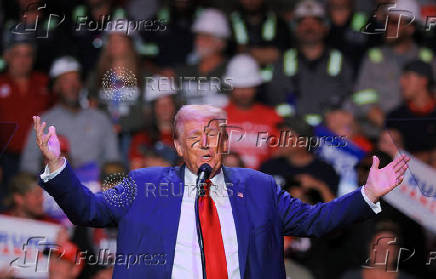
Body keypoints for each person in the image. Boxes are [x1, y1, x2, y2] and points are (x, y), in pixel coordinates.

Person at [31, 103, 410, 278]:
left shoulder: (259, 187)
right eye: (195, 138)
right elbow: (88, 212)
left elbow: (315, 221)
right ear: (178, 147)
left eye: (215, 135)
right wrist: (56, 167)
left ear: (226, 142)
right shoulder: (143, 185)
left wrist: (369, 194)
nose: (207, 144)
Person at [350, 0, 436, 137]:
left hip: (422, 133)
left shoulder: (426, 59)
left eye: (394, 22)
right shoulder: (374, 57)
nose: (388, 27)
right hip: (379, 133)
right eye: (386, 21)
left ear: (410, 28)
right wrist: (391, 127)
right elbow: (363, 99)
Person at [20, 56, 120, 174]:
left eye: (76, 80)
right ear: (56, 87)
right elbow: (28, 167)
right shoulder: (43, 123)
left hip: (95, 187)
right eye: (66, 81)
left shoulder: (100, 119)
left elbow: (114, 161)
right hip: (57, 188)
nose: (73, 86)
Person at [267, 0, 353, 124]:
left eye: (315, 23)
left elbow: (350, 100)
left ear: (325, 27)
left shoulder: (341, 62)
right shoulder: (282, 63)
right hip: (292, 134)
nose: (309, 28)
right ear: (295, 28)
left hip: (331, 134)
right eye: (303, 23)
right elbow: (274, 100)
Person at [0, 31, 52, 200]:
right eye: (17, 55)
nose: (23, 61)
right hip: (7, 160)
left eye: (28, 55)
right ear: (7, 56)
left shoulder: (44, 83)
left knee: (40, 203)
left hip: (39, 158)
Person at [224, 54, 282, 169]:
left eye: (248, 87)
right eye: (239, 87)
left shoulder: (272, 116)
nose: (243, 93)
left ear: (256, 86)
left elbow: (278, 154)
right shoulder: (217, 116)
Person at [385, 59, 436, 164]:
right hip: (406, 175)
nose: (401, 82)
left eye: (407, 77)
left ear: (423, 80)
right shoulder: (396, 116)